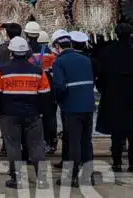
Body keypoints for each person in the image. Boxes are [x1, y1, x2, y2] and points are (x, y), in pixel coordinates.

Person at [0, 37, 51, 189]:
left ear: (11, 52)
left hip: (9, 114)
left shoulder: (2, 70)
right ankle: (42, 180)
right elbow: (46, 95)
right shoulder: (37, 70)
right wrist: (41, 112)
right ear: (27, 52)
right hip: (32, 114)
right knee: (36, 146)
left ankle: (16, 179)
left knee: (13, 146)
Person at [51, 31, 95, 186]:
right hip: (88, 106)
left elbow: (59, 86)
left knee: (73, 142)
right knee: (86, 141)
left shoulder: (59, 62)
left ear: (58, 46)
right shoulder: (86, 60)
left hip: (71, 107)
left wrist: (59, 101)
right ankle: (88, 176)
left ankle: (72, 177)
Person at [94, 23, 133, 172]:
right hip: (131, 97)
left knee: (116, 132)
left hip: (113, 96)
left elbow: (100, 76)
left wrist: (104, 89)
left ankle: (117, 163)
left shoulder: (107, 52)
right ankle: (132, 164)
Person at [26, 21, 59, 155]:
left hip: (31, 89)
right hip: (47, 89)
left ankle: (33, 143)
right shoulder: (49, 53)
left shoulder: (25, 52)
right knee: (49, 116)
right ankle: (51, 142)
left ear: (26, 34)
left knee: (32, 117)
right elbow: (54, 72)